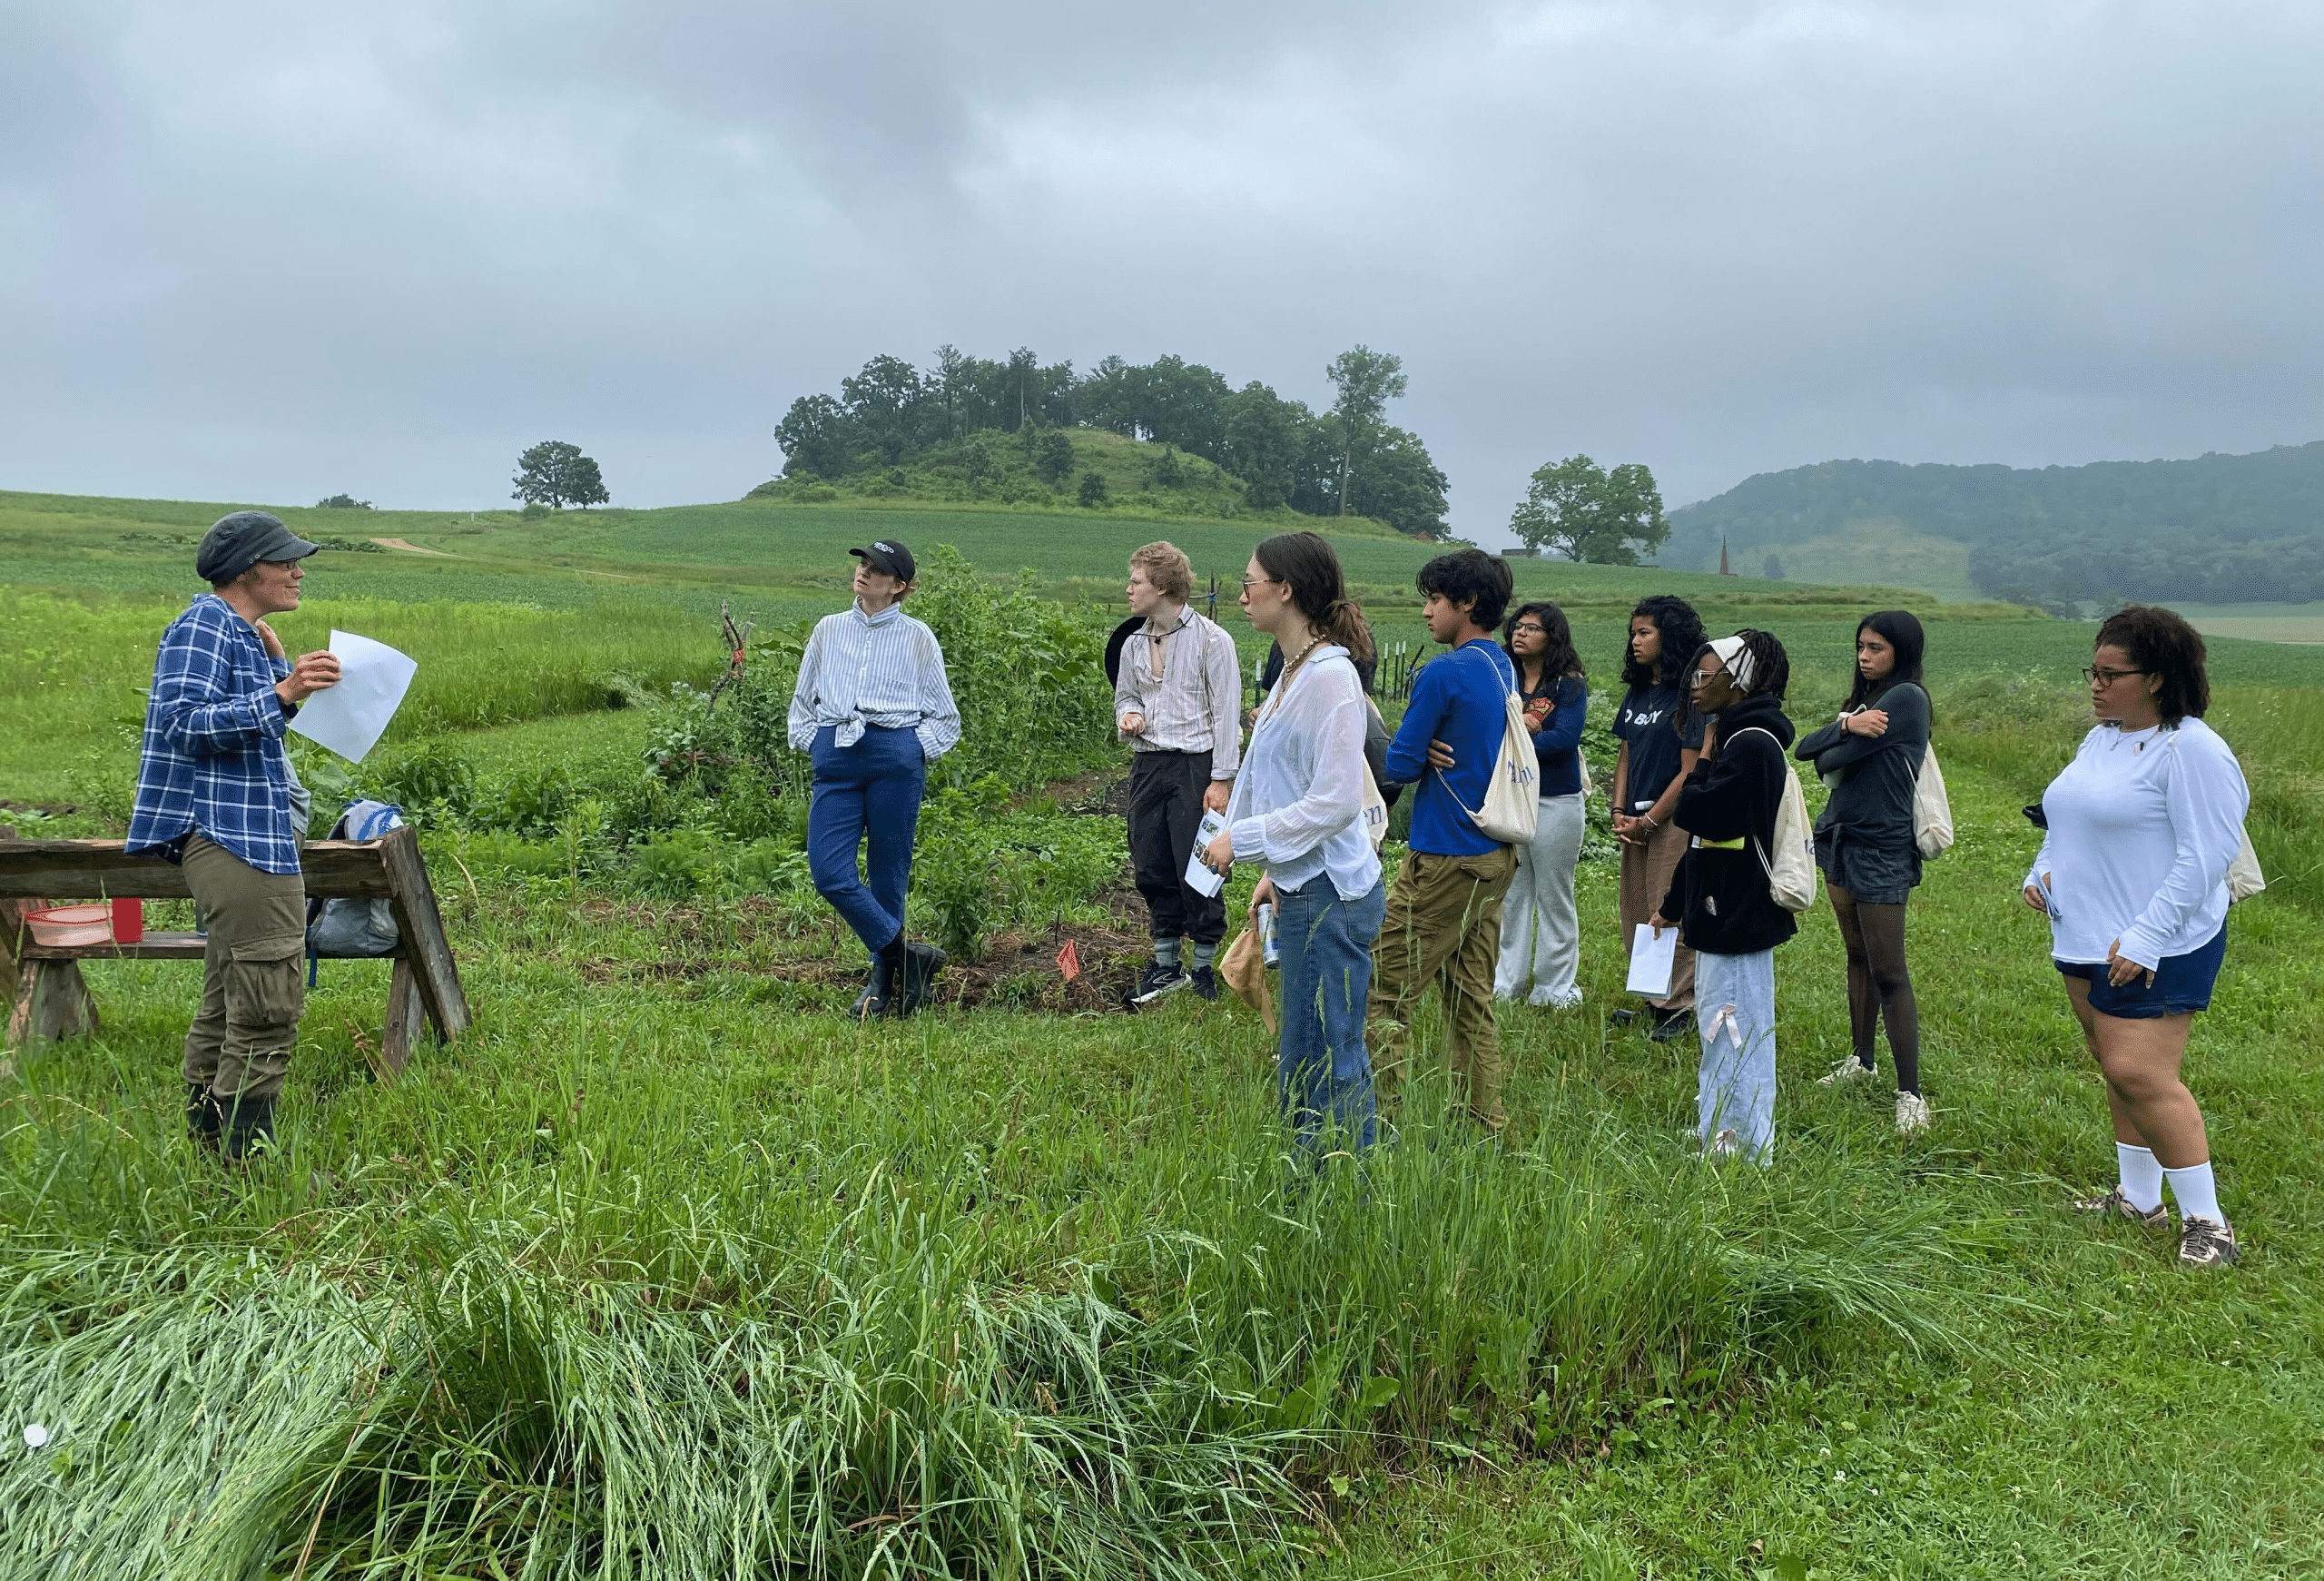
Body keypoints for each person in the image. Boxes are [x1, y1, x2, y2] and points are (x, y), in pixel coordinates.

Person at [2026, 607, 2247, 1269]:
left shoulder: (2192, 748)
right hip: (2085, 932)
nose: (2094, 684)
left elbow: (2208, 853)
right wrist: (2040, 873)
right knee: (2110, 1062)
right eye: (2091, 671)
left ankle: (2208, 1222)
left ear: (2155, 678)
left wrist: (2147, 935)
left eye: (2109, 673)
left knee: (2139, 1070)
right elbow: (2065, 822)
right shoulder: (2103, 739)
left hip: (2160, 940)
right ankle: (2138, 1198)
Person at [126, 510, 341, 1162]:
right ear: (249, 568)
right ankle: (244, 1167)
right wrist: (281, 690)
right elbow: (181, 723)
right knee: (270, 1003)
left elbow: (245, 733)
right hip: (232, 837)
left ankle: (208, 1153)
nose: (299, 570)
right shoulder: (203, 625)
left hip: (249, 833)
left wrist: (277, 671)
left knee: (229, 998)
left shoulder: (240, 632)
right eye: (287, 560)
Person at [1199, 532, 1385, 1153]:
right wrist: (1276, 868)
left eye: (1252, 582)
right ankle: (1312, 1181)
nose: (1244, 593)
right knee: (1309, 1048)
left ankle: (1339, 1190)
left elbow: (1334, 801)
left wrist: (1242, 838)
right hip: (1306, 885)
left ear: (1286, 589)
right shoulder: (1293, 670)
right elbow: (1289, 782)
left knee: (1329, 1053)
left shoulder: (1329, 677)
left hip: (1331, 897)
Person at [1367, 548, 1521, 1134]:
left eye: (1435, 600)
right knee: (1470, 997)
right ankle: (1483, 1122)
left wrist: (1416, 747)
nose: (1426, 611)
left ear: (1467, 605)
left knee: (1380, 990)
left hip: (1443, 857)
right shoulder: (1499, 666)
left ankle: (1380, 1120)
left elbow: (1401, 762)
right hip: (1491, 855)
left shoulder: (1443, 672)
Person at [787, 539, 961, 1018]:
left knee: (889, 873)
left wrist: (908, 752)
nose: (864, 572)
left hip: (894, 758)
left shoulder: (918, 638)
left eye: (877, 569)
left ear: (898, 586)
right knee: (829, 873)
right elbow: (803, 702)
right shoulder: (829, 630)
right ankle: (910, 959)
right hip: (836, 757)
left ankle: (884, 987)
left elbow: (945, 717)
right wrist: (816, 744)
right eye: (863, 564)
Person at [1649, 631, 1797, 1163]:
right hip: (1722, 900)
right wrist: (1672, 902)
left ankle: (1744, 1146)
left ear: (1740, 681)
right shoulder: (1738, 737)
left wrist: (1702, 765)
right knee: (1720, 1021)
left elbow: (1701, 816)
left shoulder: (1751, 742)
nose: (1694, 683)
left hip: (1738, 906)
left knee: (1734, 1024)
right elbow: (1706, 840)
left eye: (1706, 675)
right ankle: (1719, 1124)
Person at [1794, 611, 1934, 1133]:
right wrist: (1849, 723)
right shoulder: (1865, 706)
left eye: (1876, 648)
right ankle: (1862, 1060)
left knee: (1889, 970)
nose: (1865, 656)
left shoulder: (1906, 700)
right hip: (1840, 838)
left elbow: (1833, 754)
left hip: (1881, 846)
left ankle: (1910, 1093)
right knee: (1856, 956)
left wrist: (1842, 734)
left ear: (1901, 651)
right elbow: (1808, 749)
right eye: (1861, 647)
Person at [1115, 540, 1243, 1003]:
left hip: (1196, 766)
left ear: (1164, 587)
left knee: (1202, 867)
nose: (1128, 589)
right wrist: (1128, 717)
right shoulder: (1133, 642)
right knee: (1151, 860)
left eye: (1136, 581)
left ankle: (1204, 969)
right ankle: (1166, 964)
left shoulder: (1212, 641)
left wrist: (1222, 780)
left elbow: (1227, 713)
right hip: (1149, 764)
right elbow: (1126, 696)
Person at [1611, 595, 1708, 1042]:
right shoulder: (1638, 691)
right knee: (1635, 907)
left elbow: (1691, 771)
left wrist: (1650, 821)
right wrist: (1619, 811)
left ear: (1669, 637)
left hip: (1672, 819)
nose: (1635, 640)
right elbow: (1626, 754)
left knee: (1668, 908)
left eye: (1644, 632)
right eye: (1633, 632)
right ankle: (1654, 999)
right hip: (1635, 818)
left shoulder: (1691, 694)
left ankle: (1679, 1007)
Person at [1492, 600, 1589, 1009]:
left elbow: (1564, 739)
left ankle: (1553, 989)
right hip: (1512, 798)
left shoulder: (1568, 685)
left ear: (1552, 636)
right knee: (1512, 896)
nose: (1520, 633)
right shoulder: (1503, 679)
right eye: (1517, 625)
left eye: (1532, 628)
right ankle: (1507, 983)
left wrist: (1516, 740)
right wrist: (1524, 732)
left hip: (1555, 800)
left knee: (1554, 895)